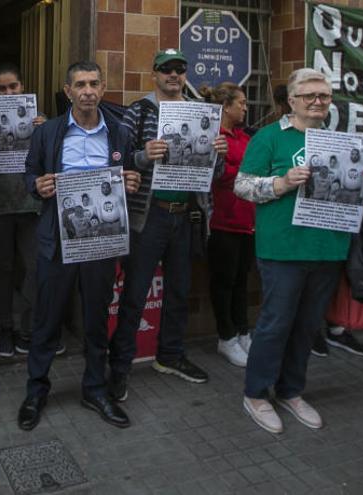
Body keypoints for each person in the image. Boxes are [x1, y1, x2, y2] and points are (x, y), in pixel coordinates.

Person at [234, 68, 363, 434]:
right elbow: (242, 186)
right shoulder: (269, 138)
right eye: (310, 95)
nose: (318, 101)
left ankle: (291, 391)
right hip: (282, 248)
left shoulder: (341, 143)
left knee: (307, 326)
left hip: (327, 248)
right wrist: (282, 183)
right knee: (275, 324)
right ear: (292, 100)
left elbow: (347, 194)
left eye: (325, 96)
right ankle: (255, 394)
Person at [18, 61, 140, 431]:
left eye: (93, 84)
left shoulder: (119, 133)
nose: (87, 91)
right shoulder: (49, 132)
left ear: (103, 89)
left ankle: (95, 388)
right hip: (58, 238)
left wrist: (130, 181)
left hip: (102, 240)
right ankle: (36, 390)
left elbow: (128, 173)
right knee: (47, 318)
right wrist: (36, 186)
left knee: (96, 318)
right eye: (80, 85)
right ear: (68, 91)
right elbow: (29, 172)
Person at [110, 49, 227, 402]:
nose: (173, 75)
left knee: (179, 289)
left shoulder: (200, 113)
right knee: (135, 292)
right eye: (166, 69)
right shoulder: (138, 111)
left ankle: (170, 356)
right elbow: (116, 158)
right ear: (154, 74)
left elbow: (214, 175)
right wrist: (145, 156)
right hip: (150, 214)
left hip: (186, 214)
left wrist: (217, 154)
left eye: (179, 69)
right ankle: (119, 366)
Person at [0, 63, 52, 356]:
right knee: (3, 268)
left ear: (22, 87)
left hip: (30, 204)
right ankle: (6, 329)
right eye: (2, 89)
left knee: (33, 266)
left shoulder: (38, 120)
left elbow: (53, 157)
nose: (8, 93)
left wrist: (46, 130)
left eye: (13, 87)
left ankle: (30, 328)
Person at [200, 82, 254, 368]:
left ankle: (243, 331)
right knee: (224, 281)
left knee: (241, 281)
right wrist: (241, 172)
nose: (245, 107)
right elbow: (215, 177)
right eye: (241, 103)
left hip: (248, 222)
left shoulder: (245, 137)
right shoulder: (213, 137)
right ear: (226, 106)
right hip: (222, 221)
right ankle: (226, 336)